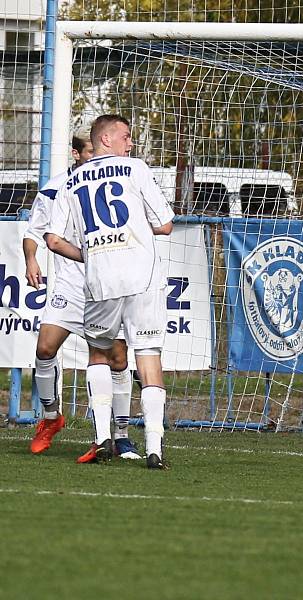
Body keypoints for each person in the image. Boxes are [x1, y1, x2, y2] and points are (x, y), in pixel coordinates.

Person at [46, 114, 174, 469]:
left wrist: (89, 253)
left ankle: (103, 436)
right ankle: (154, 449)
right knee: (148, 359)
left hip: (100, 280)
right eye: (125, 136)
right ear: (105, 140)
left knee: (100, 355)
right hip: (143, 277)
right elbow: (165, 224)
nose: (130, 143)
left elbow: (54, 239)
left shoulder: (72, 181)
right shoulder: (135, 169)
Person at [24, 131, 139, 461]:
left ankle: (120, 435)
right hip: (70, 286)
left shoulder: (120, 182)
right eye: (91, 151)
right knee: (45, 348)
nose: (97, 156)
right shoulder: (55, 187)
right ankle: (50, 418)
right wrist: (31, 258)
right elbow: (34, 232)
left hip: (105, 285)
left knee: (115, 359)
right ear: (77, 154)